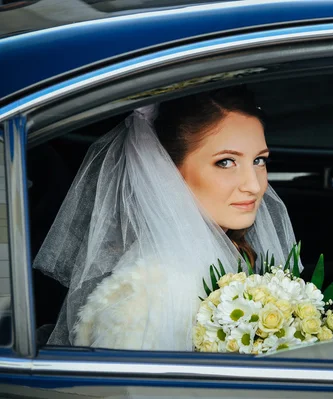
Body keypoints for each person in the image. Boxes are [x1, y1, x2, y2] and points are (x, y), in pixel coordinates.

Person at [34, 86, 300, 351]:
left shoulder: (229, 256)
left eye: (259, 161)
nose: (254, 185)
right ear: (169, 173)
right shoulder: (151, 296)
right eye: (226, 162)